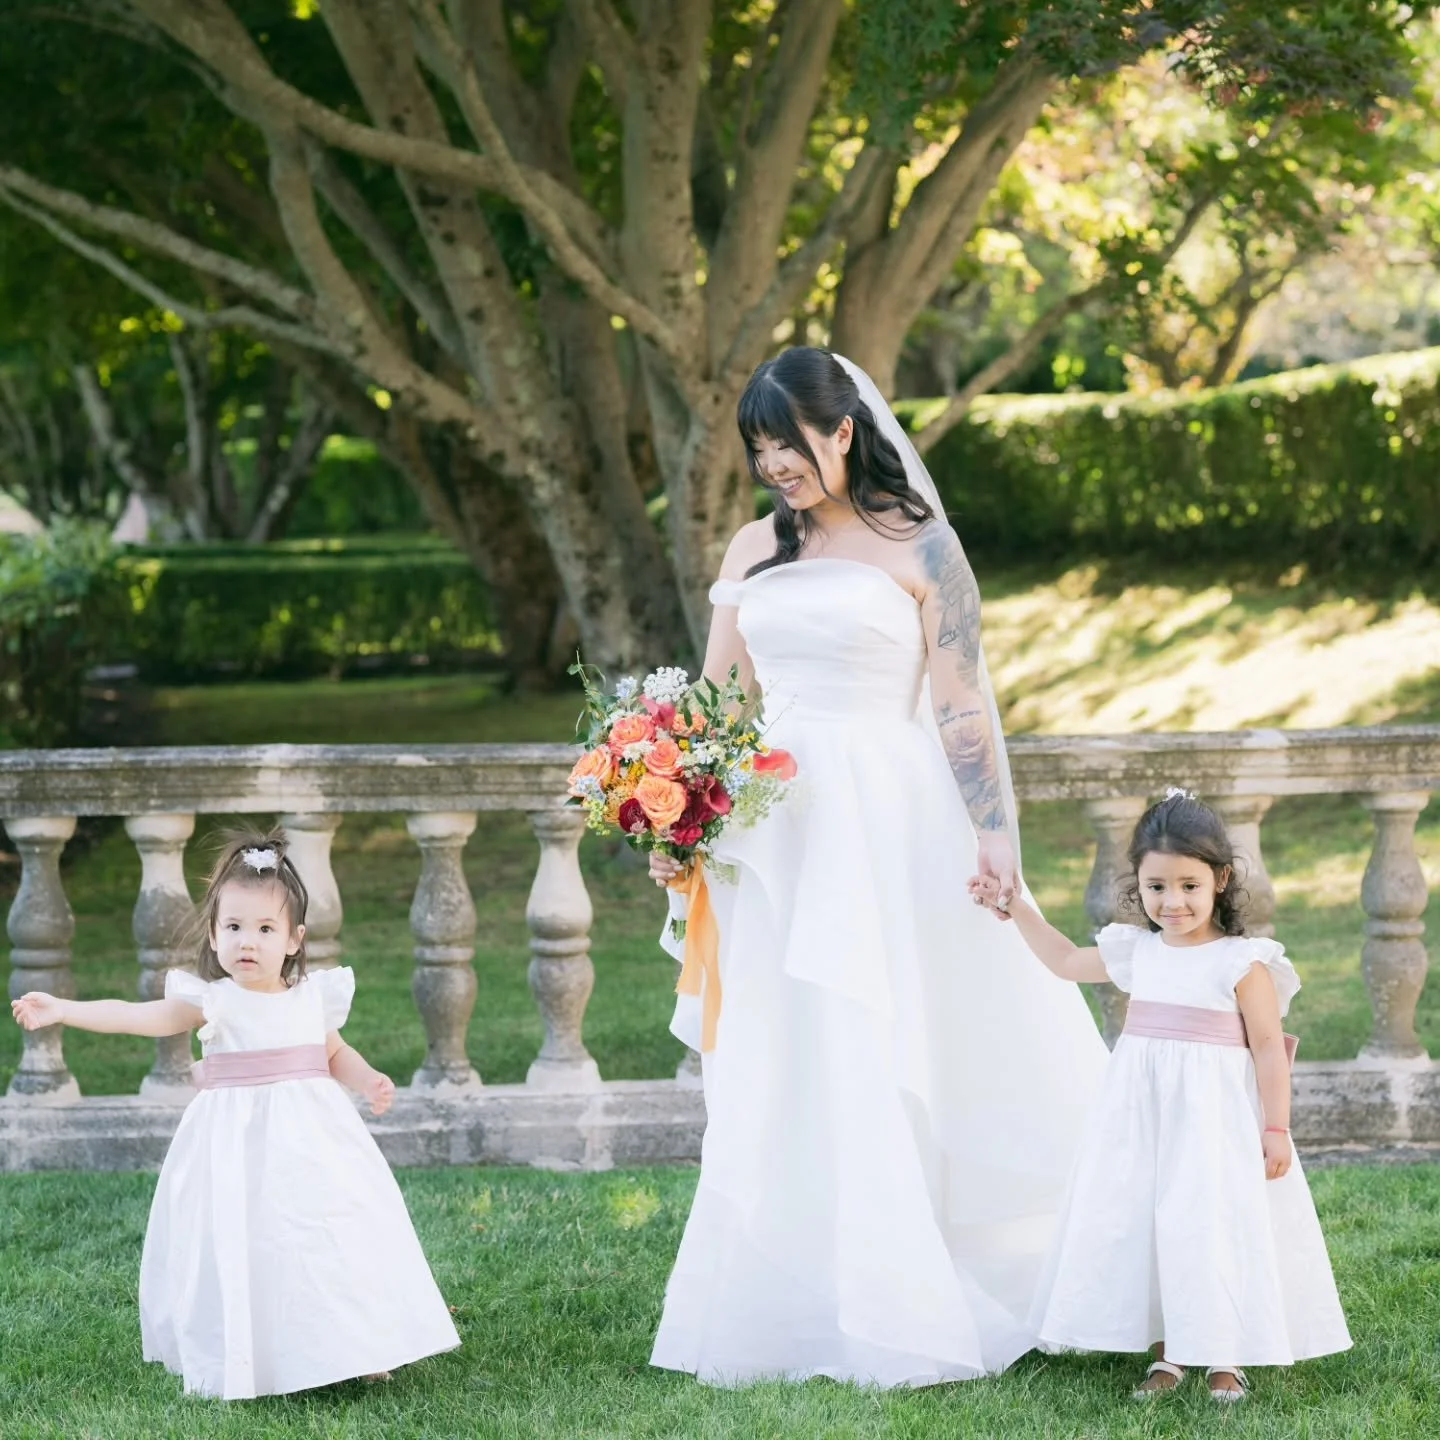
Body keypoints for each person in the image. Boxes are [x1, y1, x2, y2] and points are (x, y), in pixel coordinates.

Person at [646, 346, 1110, 1387]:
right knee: (784, 1042)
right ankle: (795, 1289)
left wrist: (995, 834)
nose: (776, 467)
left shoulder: (924, 547)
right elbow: (721, 701)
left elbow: (957, 701)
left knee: (896, 1035)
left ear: (843, 431)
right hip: (771, 827)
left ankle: (925, 1280)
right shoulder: (752, 545)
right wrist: (677, 815)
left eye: (790, 445)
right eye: (759, 449)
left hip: (891, 816)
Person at [10, 829, 460, 1399]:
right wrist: (63, 1009)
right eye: (234, 927)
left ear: (294, 939)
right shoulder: (212, 1000)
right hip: (236, 1150)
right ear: (215, 933)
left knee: (331, 1235)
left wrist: (367, 1077)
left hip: (315, 1147)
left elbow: (334, 1052)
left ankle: (358, 1342)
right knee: (254, 1243)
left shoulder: (309, 999)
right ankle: (256, 1348)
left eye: (266, 929)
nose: (248, 941)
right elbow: (136, 1014)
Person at [969, 789, 1351, 1402]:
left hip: (1216, 1120)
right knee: (1154, 1222)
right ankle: (1169, 1352)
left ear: (1220, 880)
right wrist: (1014, 907)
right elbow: (1066, 961)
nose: (1172, 902)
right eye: (1156, 887)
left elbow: (1269, 1051)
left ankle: (1226, 1355)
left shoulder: (1242, 962)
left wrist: (1275, 1127)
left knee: (1212, 1222)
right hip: (1143, 1119)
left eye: (1189, 886)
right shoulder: (1138, 950)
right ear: (1139, 886)